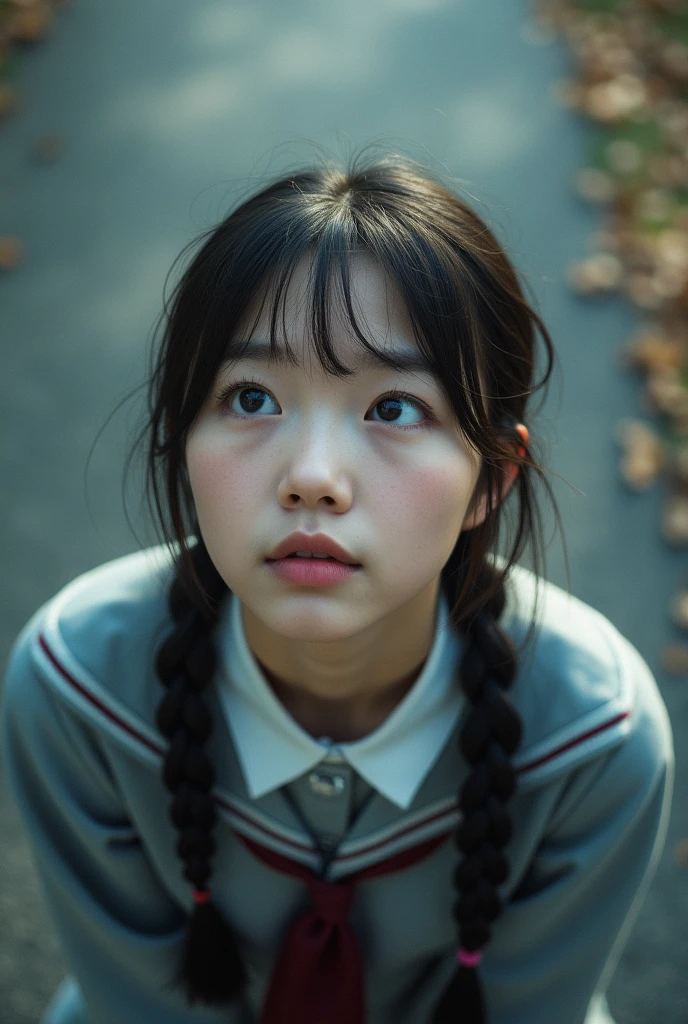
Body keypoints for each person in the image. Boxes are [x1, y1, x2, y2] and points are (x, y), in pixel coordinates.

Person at [0, 151, 674, 1024]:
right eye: (250, 398)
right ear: (180, 440)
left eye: (394, 408)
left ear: (492, 482)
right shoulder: (78, 687)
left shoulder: (597, 740)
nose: (312, 477)